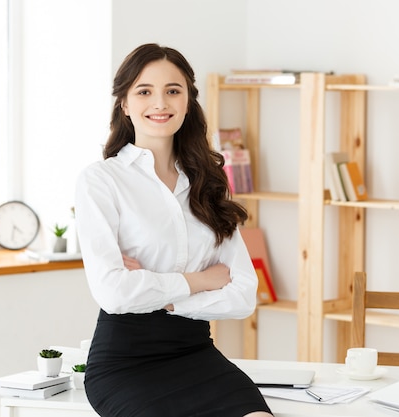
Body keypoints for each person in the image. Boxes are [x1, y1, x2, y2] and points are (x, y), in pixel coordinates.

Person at [74, 43, 273, 417]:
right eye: (144, 91)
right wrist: (200, 281)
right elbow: (113, 294)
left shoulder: (208, 183)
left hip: (197, 355)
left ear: (187, 102)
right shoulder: (101, 181)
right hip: (125, 366)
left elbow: (244, 295)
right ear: (125, 104)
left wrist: (158, 294)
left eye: (173, 91)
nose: (160, 103)